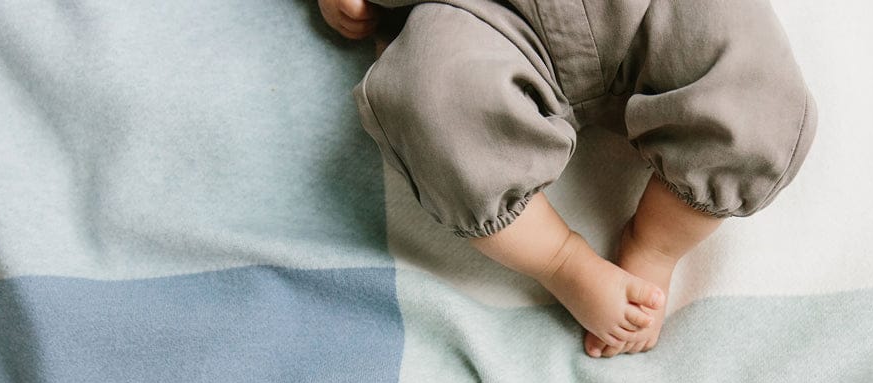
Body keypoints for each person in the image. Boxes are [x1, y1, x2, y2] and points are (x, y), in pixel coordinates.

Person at [320, 0, 818, 358]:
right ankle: (562, 262)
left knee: (755, 88)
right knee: (431, 96)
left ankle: (655, 246)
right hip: (483, 16)